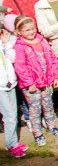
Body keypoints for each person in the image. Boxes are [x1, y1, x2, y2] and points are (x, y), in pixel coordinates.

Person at [13, 15, 58, 146]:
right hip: (32, 86)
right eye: (26, 30)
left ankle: (52, 126)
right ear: (19, 32)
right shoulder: (20, 46)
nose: (31, 32)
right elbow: (20, 66)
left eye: (32, 29)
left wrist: (56, 77)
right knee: (35, 109)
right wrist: (30, 83)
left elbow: (52, 59)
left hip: (46, 81)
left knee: (48, 105)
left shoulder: (42, 41)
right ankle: (38, 133)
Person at [0, 21, 27, 157]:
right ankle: (11, 145)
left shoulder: (4, 39)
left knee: (13, 114)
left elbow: (13, 58)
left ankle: (13, 141)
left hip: (10, 83)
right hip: (1, 87)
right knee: (9, 116)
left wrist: (6, 43)